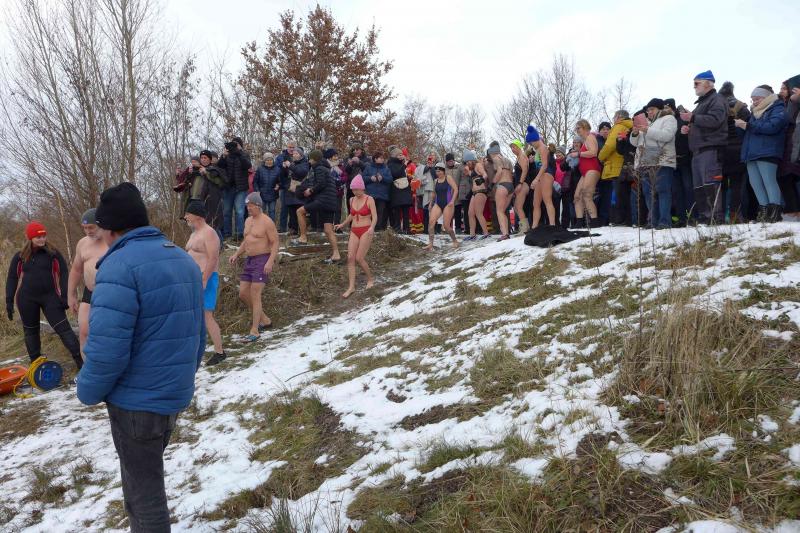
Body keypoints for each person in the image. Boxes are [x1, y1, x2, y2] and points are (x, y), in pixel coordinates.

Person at [77, 182, 205, 532]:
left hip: (136, 403)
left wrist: (86, 389)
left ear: (109, 228)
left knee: (144, 496)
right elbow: (198, 334)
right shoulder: (181, 258)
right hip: (171, 395)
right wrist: (183, 378)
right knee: (147, 481)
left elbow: (107, 350)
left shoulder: (118, 267)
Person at [6, 221, 83, 370]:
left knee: (64, 329)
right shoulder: (20, 256)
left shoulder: (52, 253)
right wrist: (9, 301)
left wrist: (65, 296)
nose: (42, 239)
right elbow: (12, 278)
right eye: (38, 237)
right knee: (31, 332)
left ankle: (81, 363)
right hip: (26, 299)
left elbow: (64, 273)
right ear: (30, 238)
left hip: (50, 298)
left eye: (43, 236)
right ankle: (37, 367)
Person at [228, 192, 279, 342]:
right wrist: (236, 254)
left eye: (250, 206)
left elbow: (275, 242)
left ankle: (255, 330)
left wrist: (270, 261)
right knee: (243, 293)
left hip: (262, 259)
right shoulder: (248, 220)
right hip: (249, 260)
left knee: (255, 294)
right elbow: (247, 241)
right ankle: (265, 320)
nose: (248, 208)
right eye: (247, 206)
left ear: (258, 205)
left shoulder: (267, 221)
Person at [680, 71, 728, 224]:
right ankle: (706, 216)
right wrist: (688, 129)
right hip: (698, 151)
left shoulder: (717, 99)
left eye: (697, 83)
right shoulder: (701, 103)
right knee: (700, 187)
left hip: (710, 149)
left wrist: (693, 117)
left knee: (711, 184)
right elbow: (701, 122)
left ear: (708, 83)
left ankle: (716, 217)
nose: (694, 86)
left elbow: (715, 120)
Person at [736, 86, 788, 222]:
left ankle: (775, 212)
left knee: (768, 180)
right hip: (751, 152)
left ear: (767, 97)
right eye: (753, 99)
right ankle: (764, 211)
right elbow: (748, 133)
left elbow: (772, 127)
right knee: (755, 183)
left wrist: (747, 126)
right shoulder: (754, 113)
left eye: (757, 99)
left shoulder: (777, 109)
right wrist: (740, 126)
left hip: (767, 150)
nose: (754, 102)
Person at [184, 200, 225, 365]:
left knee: (207, 315)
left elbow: (213, 258)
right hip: (192, 278)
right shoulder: (194, 234)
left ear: (197, 215)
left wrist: (205, 279)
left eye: (188, 214)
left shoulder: (209, 233)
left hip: (206, 277)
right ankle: (195, 349)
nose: (185, 217)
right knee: (194, 315)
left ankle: (220, 352)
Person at [631, 98, 678, 230]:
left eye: (652, 109)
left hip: (663, 159)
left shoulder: (669, 118)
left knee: (662, 190)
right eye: (648, 110)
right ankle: (653, 220)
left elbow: (667, 136)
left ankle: (664, 221)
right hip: (646, 161)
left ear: (660, 109)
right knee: (648, 193)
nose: (649, 112)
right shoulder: (647, 123)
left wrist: (647, 130)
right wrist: (635, 134)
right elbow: (635, 143)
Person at [67, 209, 108, 351]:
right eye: (84, 228)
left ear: (101, 224)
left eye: (91, 227)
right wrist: (71, 295)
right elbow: (76, 270)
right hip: (89, 292)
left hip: (109, 294)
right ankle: (86, 364)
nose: (87, 231)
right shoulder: (83, 243)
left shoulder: (114, 241)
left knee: (106, 334)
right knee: (84, 332)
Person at [295, 150, 341, 263]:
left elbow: (321, 183)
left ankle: (303, 237)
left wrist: (310, 191)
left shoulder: (319, 168)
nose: (309, 160)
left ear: (313, 159)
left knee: (300, 211)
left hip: (323, 200)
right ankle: (336, 254)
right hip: (331, 202)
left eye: (310, 158)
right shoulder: (325, 168)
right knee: (328, 230)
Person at [335, 175, 376, 298]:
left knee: (359, 258)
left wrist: (372, 227)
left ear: (362, 188)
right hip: (354, 230)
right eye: (353, 190)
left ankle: (370, 279)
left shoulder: (369, 199)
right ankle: (351, 287)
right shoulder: (351, 199)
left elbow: (375, 216)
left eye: (357, 189)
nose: (355, 192)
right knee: (350, 258)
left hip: (366, 230)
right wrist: (342, 224)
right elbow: (351, 215)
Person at [717, 82, 752, 223]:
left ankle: (719, 215)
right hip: (738, 149)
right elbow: (749, 127)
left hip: (721, 150)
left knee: (721, 186)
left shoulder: (717, 108)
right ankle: (735, 215)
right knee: (738, 184)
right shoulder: (742, 107)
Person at [598, 111, 633, 225]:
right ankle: (628, 218)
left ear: (619, 117)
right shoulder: (629, 126)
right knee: (626, 193)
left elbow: (610, 145)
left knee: (619, 194)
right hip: (626, 163)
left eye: (614, 117)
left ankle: (619, 219)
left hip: (616, 165)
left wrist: (600, 156)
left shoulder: (618, 126)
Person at [217, 136, 252, 241]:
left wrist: (239, 153)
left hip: (241, 188)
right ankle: (227, 234)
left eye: (237, 145)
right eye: (233, 144)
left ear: (241, 146)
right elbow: (219, 167)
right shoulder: (227, 155)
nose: (235, 147)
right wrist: (223, 156)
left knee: (239, 212)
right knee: (226, 212)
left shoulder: (244, 155)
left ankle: (239, 234)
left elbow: (248, 165)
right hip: (228, 188)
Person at [524, 126, 558, 229]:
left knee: (547, 199)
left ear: (535, 139)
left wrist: (536, 179)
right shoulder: (538, 150)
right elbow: (539, 165)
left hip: (546, 174)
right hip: (540, 176)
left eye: (531, 143)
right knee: (536, 202)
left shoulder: (543, 148)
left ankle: (552, 225)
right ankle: (534, 226)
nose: (531, 145)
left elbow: (544, 165)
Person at [573, 119, 602, 227]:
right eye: (576, 129)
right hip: (585, 172)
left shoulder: (590, 137)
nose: (577, 130)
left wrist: (578, 154)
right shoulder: (585, 140)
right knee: (577, 196)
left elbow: (593, 152)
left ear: (585, 127)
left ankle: (594, 221)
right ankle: (579, 221)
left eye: (578, 128)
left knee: (586, 195)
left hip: (592, 169)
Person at [425, 163, 460, 250]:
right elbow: (434, 193)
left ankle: (455, 241)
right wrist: (430, 204)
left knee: (446, 226)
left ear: (443, 171)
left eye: (439, 171)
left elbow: (456, 189)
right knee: (431, 222)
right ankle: (430, 244)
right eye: (436, 171)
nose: (438, 173)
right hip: (438, 204)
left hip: (448, 204)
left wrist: (452, 201)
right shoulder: (435, 181)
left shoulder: (448, 178)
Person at [487, 141, 515, 240]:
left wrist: (492, 184)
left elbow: (499, 172)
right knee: (503, 211)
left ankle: (504, 234)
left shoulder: (496, 159)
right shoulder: (507, 160)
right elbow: (511, 174)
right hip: (510, 186)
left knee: (499, 211)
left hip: (502, 185)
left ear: (492, 153)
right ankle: (506, 232)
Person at [463, 149, 491, 241]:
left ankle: (486, 233)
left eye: (468, 161)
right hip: (474, 193)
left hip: (481, 191)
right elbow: (468, 174)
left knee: (479, 213)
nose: (467, 163)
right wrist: (468, 171)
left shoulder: (478, 165)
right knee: (470, 213)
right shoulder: (471, 169)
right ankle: (472, 235)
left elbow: (485, 175)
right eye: (466, 162)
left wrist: (482, 180)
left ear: (472, 160)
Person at [282, 147, 310, 234]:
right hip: (291, 190)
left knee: (299, 210)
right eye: (293, 154)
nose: (294, 155)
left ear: (301, 155)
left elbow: (302, 172)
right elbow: (284, 176)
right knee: (291, 210)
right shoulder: (292, 163)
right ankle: (293, 229)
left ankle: (301, 230)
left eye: (296, 153)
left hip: (300, 190)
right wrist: (284, 168)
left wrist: (290, 166)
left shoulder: (305, 163)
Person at [388, 147, 413, 233]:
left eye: (402, 154)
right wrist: (404, 165)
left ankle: (407, 229)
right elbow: (395, 174)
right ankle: (397, 228)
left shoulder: (401, 164)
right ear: (394, 156)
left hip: (405, 189)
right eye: (399, 155)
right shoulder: (390, 164)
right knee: (397, 210)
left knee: (406, 210)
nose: (401, 156)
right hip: (396, 189)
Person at [275, 140, 298, 232]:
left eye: (293, 147)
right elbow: (276, 169)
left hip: (296, 184)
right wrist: (282, 166)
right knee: (284, 207)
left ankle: (293, 228)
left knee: (294, 207)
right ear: (287, 147)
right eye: (290, 147)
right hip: (284, 185)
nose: (291, 149)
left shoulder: (298, 156)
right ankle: (282, 228)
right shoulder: (280, 157)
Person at [510, 139, 531, 233]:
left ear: (519, 147)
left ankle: (524, 229)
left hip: (523, 184)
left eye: (514, 147)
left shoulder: (522, 156)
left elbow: (525, 170)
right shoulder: (519, 157)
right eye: (511, 148)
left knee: (518, 206)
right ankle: (525, 227)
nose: (512, 149)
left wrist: (520, 183)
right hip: (522, 184)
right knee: (516, 207)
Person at [415, 152, 439, 233]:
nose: (431, 156)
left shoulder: (437, 166)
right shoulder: (423, 166)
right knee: (425, 209)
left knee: (433, 209)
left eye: (433, 155)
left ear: (435, 157)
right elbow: (419, 175)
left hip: (434, 190)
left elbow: (436, 176)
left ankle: (434, 228)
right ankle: (425, 229)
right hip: (425, 190)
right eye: (430, 155)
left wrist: (432, 167)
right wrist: (428, 166)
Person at [254, 152, 281, 221]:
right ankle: (262, 226)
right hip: (262, 194)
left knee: (272, 211)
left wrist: (278, 185)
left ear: (273, 160)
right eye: (267, 160)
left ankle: (271, 226)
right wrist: (257, 191)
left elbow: (280, 181)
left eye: (271, 160)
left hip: (273, 194)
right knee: (262, 212)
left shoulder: (277, 169)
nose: (269, 162)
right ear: (264, 161)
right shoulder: (260, 169)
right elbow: (255, 182)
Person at [444, 154, 464, 233]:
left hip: (457, 192)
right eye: (449, 161)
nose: (451, 162)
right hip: (448, 193)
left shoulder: (458, 168)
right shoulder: (444, 170)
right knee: (448, 212)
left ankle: (458, 228)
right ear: (446, 162)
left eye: (452, 161)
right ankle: (447, 228)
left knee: (458, 211)